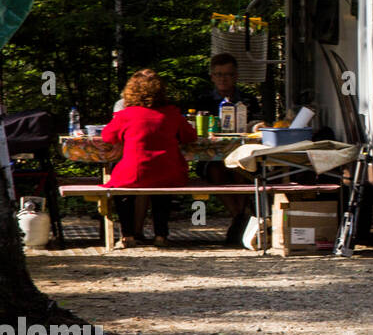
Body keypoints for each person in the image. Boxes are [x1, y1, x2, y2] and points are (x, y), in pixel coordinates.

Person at [101, 69, 196, 249]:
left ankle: (127, 235)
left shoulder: (126, 115)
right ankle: (161, 235)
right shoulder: (172, 113)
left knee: (122, 190)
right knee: (162, 187)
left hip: (135, 172)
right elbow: (190, 136)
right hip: (169, 172)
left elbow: (107, 136)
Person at [189, 53, 263, 245]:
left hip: (241, 156)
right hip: (210, 159)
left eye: (228, 74)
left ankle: (239, 221)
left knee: (242, 170)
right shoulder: (203, 99)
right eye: (219, 74)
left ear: (236, 76)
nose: (224, 79)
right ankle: (240, 218)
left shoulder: (247, 99)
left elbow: (256, 122)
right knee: (216, 170)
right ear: (212, 76)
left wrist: (256, 125)